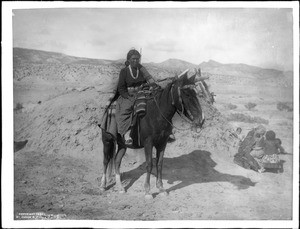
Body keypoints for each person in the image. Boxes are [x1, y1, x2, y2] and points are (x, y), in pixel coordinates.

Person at [115, 48, 175, 145]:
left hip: (142, 93)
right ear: (128, 60)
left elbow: (149, 78)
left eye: (137, 59)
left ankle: (167, 130)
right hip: (128, 95)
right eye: (133, 59)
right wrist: (128, 96)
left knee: (159, 103)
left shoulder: (142, 69)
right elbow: (121, 88)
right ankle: (126, 132)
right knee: (126, 109)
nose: (135, 61)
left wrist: (153, 85)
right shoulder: (124, 71)